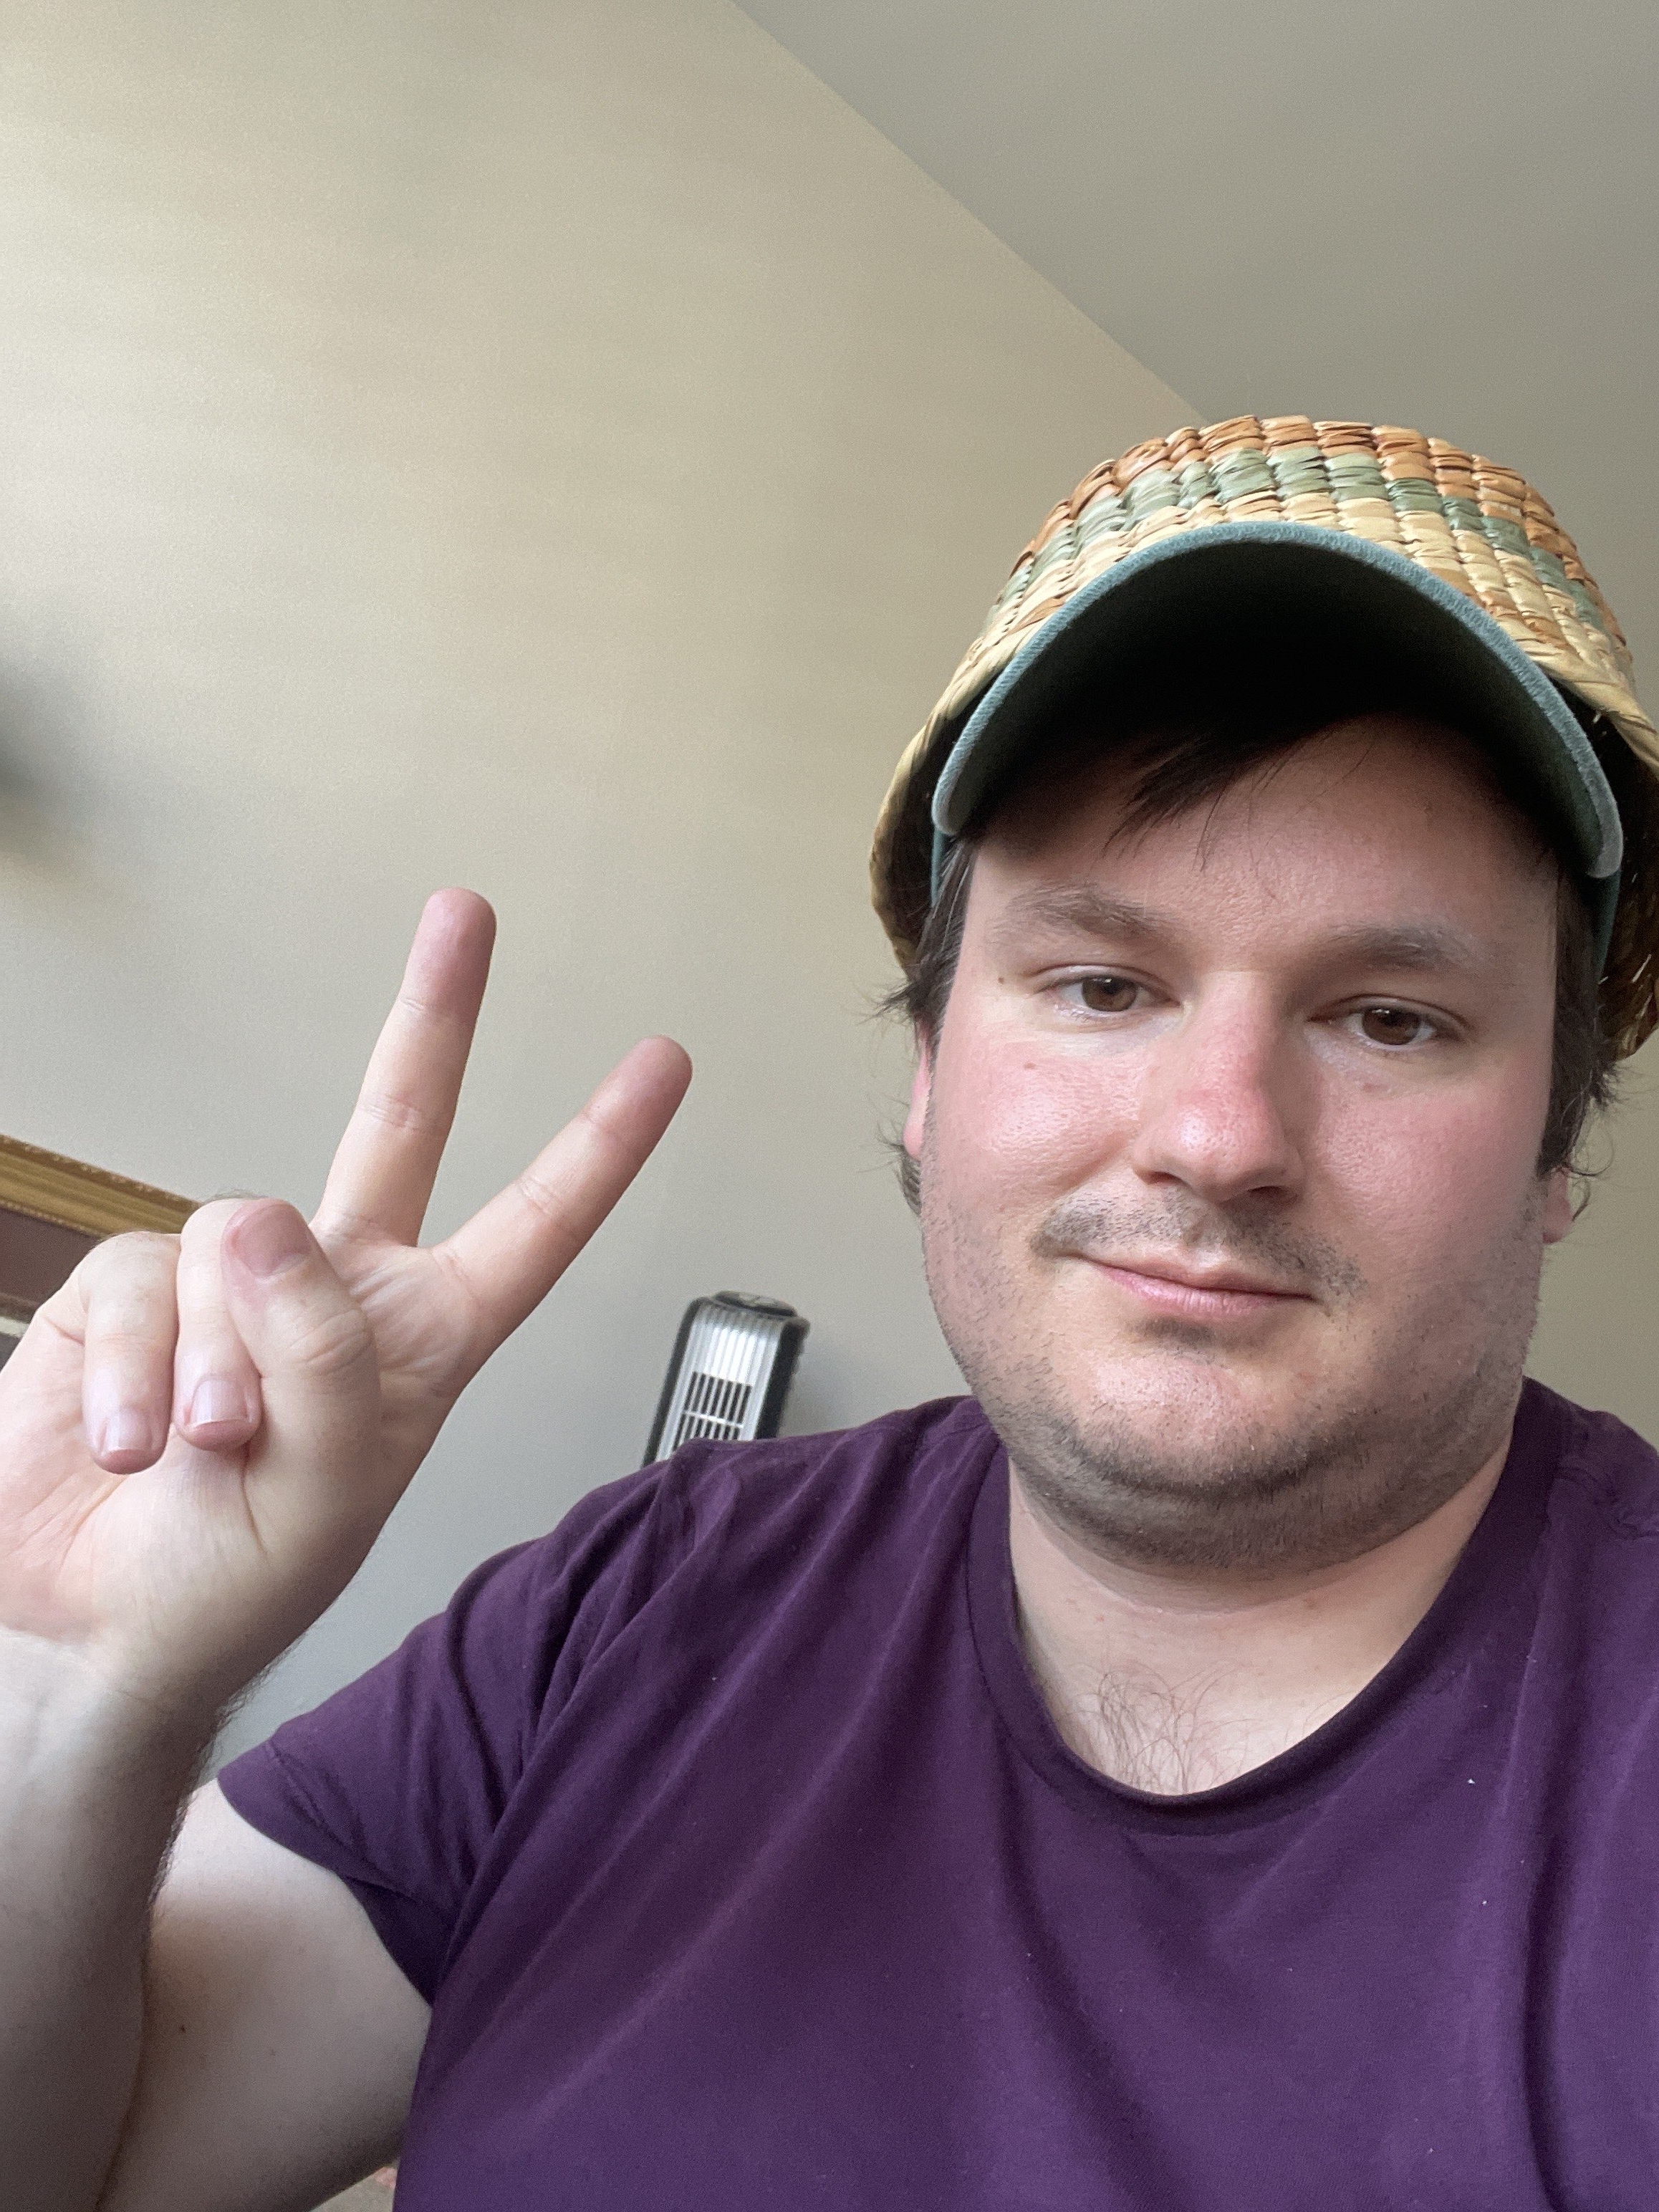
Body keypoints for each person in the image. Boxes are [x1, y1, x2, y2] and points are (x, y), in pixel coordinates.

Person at [6, 415, 1659, 2211]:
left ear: (1555, 1145)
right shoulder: (635, 1601)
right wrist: (74, 1697)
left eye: (1392, 1017)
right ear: (930, 1080)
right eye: (1103, 984)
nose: (1218, 1135)